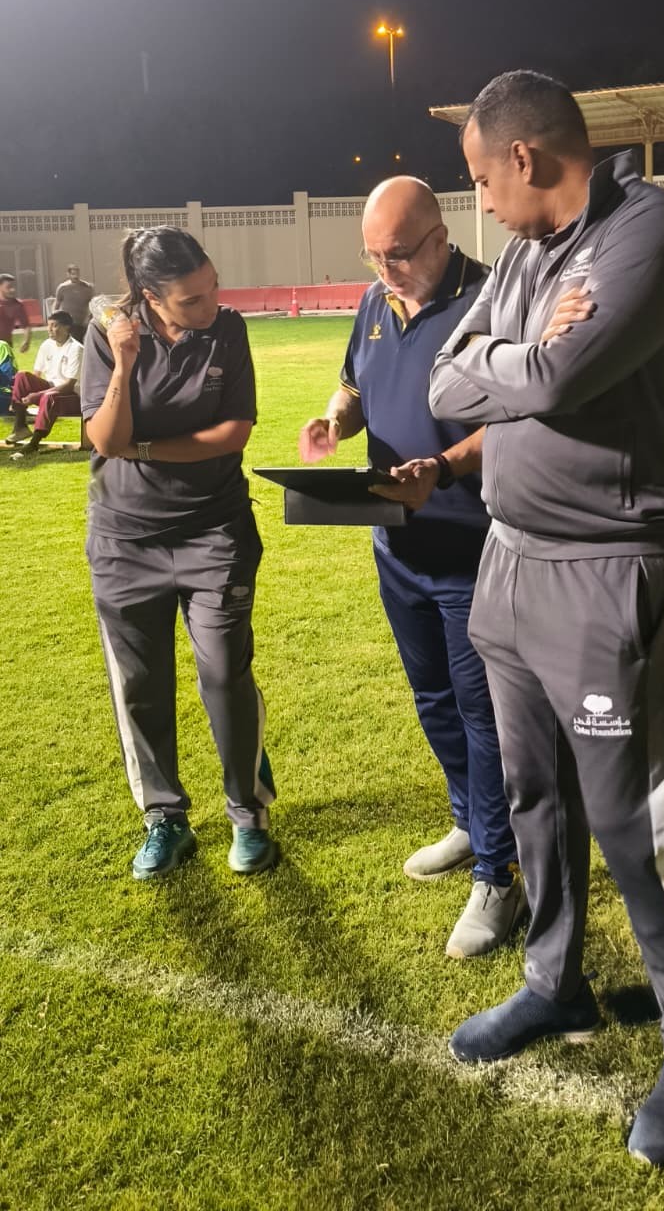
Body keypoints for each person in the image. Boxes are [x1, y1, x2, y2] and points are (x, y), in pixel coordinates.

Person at [428, 69, 664, 1167]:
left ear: (525, 155)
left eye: (479, 178)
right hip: (508, 560)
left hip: (609, 567)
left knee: (632, 821)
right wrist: (520, 356)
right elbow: (449, 382)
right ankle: (555, 981)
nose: (480, 201)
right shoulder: (521, 257)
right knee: (534, 794)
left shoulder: (654, 233)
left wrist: (513, 363)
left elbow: (555, 379)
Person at [299, 177, 525, 958]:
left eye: (397, 254)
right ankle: (470, 823)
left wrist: (446, 468)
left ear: (439, 238)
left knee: (483, 713)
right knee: (432, 699)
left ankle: (498, 873)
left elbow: (521, 417)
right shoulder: (375, 300)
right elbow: (353, 384)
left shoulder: (492, 298)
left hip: (474, 545)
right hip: (395, 543)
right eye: (373, 255)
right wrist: (333, 420)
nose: (385, 269)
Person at [81, 226, 277, 881]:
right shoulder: (111, 335)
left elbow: (232, 433)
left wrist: (144, 449)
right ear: (149, 297)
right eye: (191, 299)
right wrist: (124, 363)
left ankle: (247, 812)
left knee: (224, 674)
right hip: (125, 540)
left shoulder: (227, 330)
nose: (209, 304)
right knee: (140, 685)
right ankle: (164, 817)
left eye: (212, 287)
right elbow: (104, 437)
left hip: (214, 531)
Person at [5, 310, 82, 453]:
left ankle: (33, 444)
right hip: (51, 389)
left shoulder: (76, 349)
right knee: (22, 376)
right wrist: (21, 396)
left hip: (72, 396)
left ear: (67, 328)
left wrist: (36, 395)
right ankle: (20, 427)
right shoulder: (47, 344)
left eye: (54, 325)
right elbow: (35, 375)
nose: (49, 329)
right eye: (48, 325)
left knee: (48, 396)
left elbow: (69, 385)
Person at [54, 263, 94, 340]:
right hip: (67, 323)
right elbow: (57, 304)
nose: (75, 276)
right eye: (73, 274)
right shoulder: (62, 288)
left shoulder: (87, 287)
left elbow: (92, 304)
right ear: (68, 275)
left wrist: (89, 318)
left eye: (77, 274)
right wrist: (55, 319)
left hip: (82, 323)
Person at [0, 274, 31, 356]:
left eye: (13, 287)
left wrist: (26, 341)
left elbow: (26, 325)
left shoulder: (17, 305)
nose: (12, 290)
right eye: (8, 287)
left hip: (6, 344)